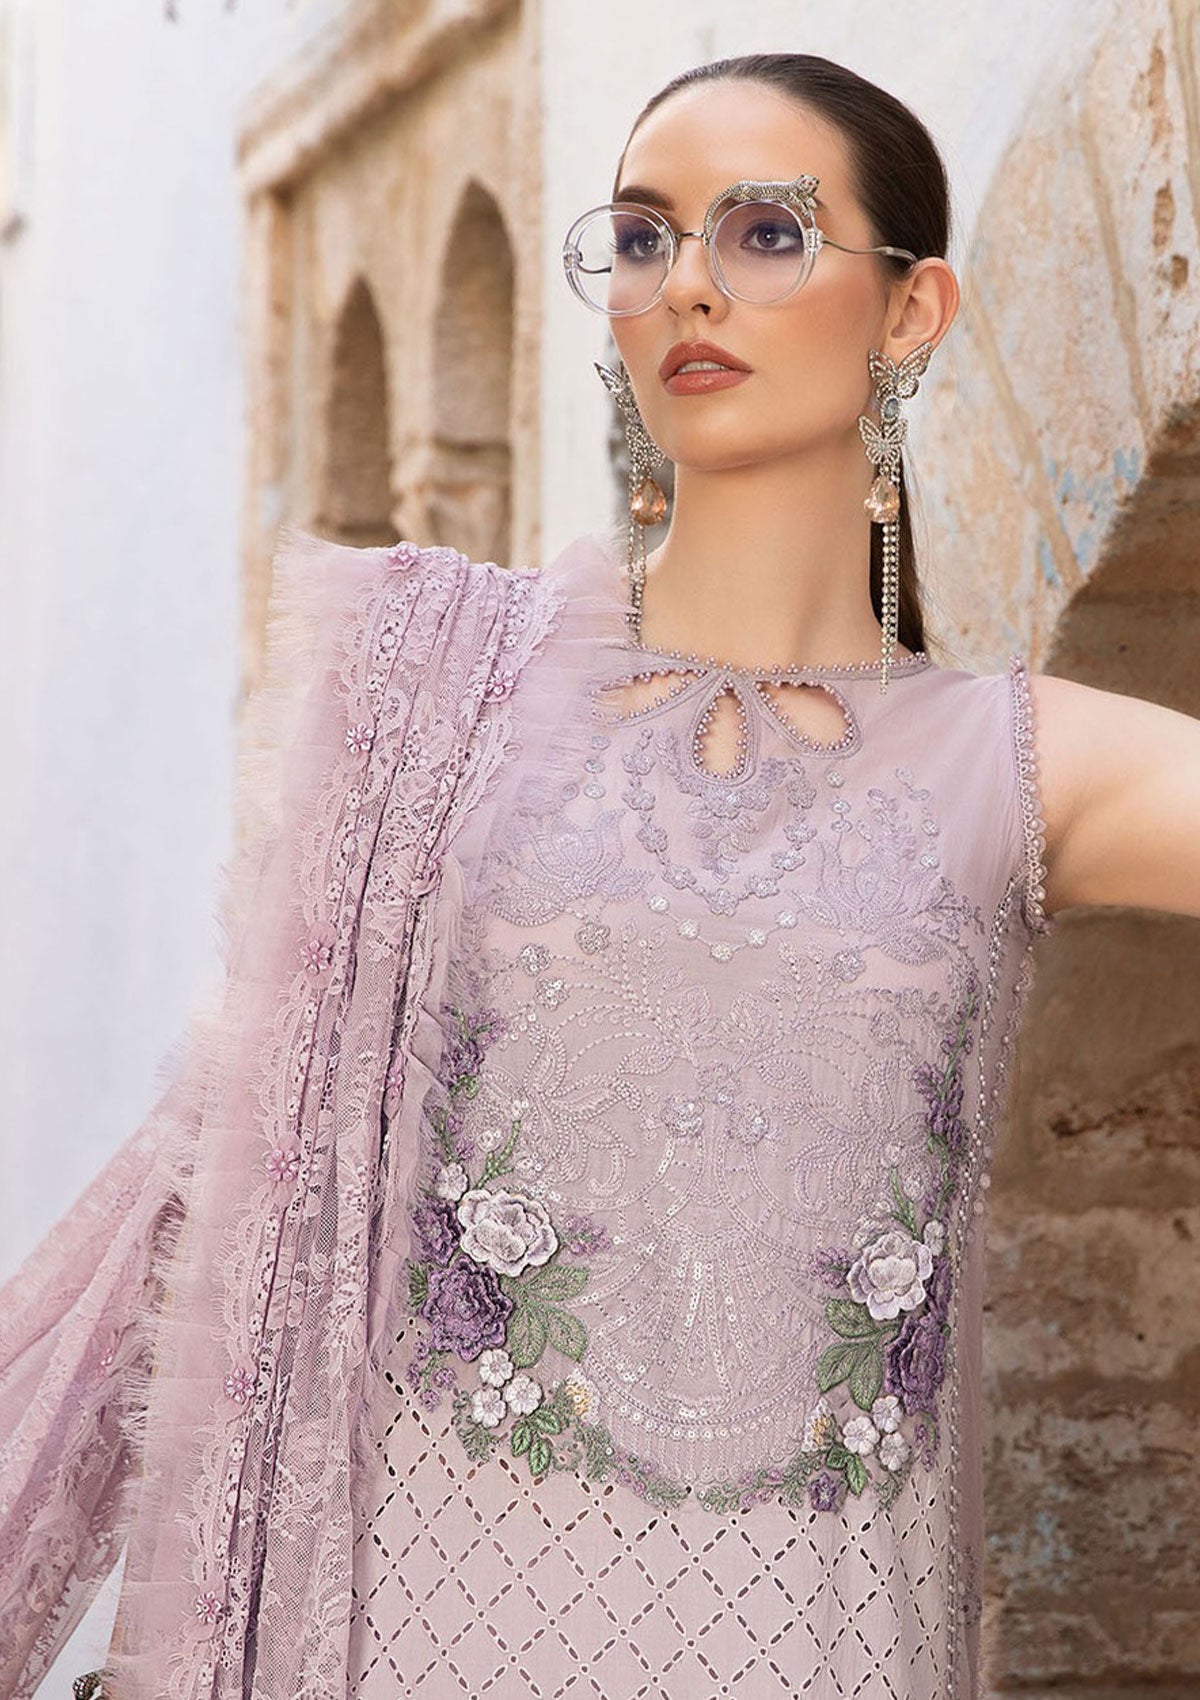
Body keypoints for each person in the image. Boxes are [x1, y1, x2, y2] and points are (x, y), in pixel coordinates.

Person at [2, 49, 1197, 1700]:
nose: (686, 282)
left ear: (913, 310)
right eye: (641, 237)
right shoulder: (442, 692)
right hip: (395, 1644)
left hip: (812, 1653)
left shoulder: (1026, 760)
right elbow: (203, 1190)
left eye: (767, 233)